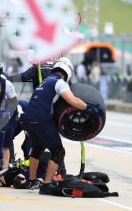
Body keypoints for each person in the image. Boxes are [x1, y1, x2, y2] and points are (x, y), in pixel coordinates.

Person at [19, 57, 102, 195]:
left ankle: (31, 181)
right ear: (68, 71)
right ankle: (46, 185)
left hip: (28, 120)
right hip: (41, 120)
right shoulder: (59, 82)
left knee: (37, 149)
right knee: (58, 151)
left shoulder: (45, 81)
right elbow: (73, 100)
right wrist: (90, 107)